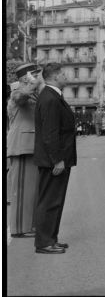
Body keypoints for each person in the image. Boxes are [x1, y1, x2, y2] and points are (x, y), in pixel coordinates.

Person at [33, 63, 77, 254]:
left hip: (58, 158)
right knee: (49, 201)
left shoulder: (52, 96)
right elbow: (50, 133)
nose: (66, 76)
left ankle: (51, 238)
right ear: (55, 76)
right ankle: (44, 242)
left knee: (55, 201)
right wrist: (57, 159)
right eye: (63, 74)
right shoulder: (50, 98)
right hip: (54, 160)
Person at [7, 64, 43, 238]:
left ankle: (30, 225)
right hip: (22, 146)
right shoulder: (17, 90)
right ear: (24, 78)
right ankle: (19, 228)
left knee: (32, 190)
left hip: (33, 145)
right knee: (21, 191)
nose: (38, 77)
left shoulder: (34, 93)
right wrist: (34, 84)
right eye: (34, 74)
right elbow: (20, 99)